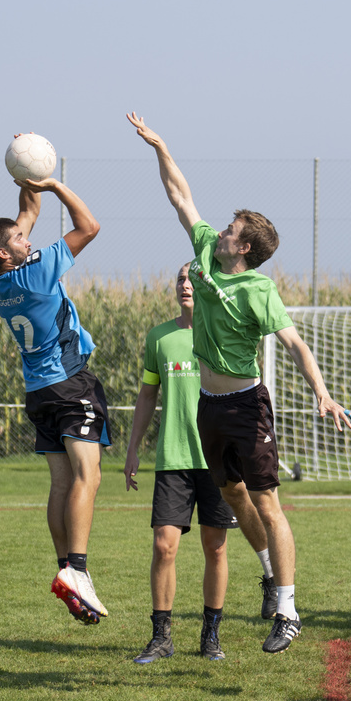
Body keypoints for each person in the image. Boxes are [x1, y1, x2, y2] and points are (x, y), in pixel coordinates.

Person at [128, 113, 351, 654]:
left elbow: (296, 344)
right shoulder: (206, 250)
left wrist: (321, 392)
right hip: (207, 406)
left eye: (231, 230)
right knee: (232, 496)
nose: (221, 229)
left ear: (244, 247)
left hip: (247, 405)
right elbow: (180, 196)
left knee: (268, 502)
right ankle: (267, 574)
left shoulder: (259, 289)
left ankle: (288, 608)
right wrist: (161, 146)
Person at [0, 165, 111, 625]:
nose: (27, 240)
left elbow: (26, 215)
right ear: (3, 253)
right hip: (70, 385)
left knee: (59, 482)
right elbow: (88, 227)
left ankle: (63, 571)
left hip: (38, 390)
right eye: (19, 241)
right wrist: (55, 184)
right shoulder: (35, 274)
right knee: (87, 479)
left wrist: (25, 173)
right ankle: (79, 570)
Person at [123, 264, 278, 663]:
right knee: (164, 546)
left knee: (216, 547)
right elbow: (146, 396)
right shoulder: (160, 337)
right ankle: (161, 636)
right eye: (180, 280)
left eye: (193, 280)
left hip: (216, 460)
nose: (186, 286)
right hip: (173, 458)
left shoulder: (221, 333)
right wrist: (133, 447)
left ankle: (210, 635)